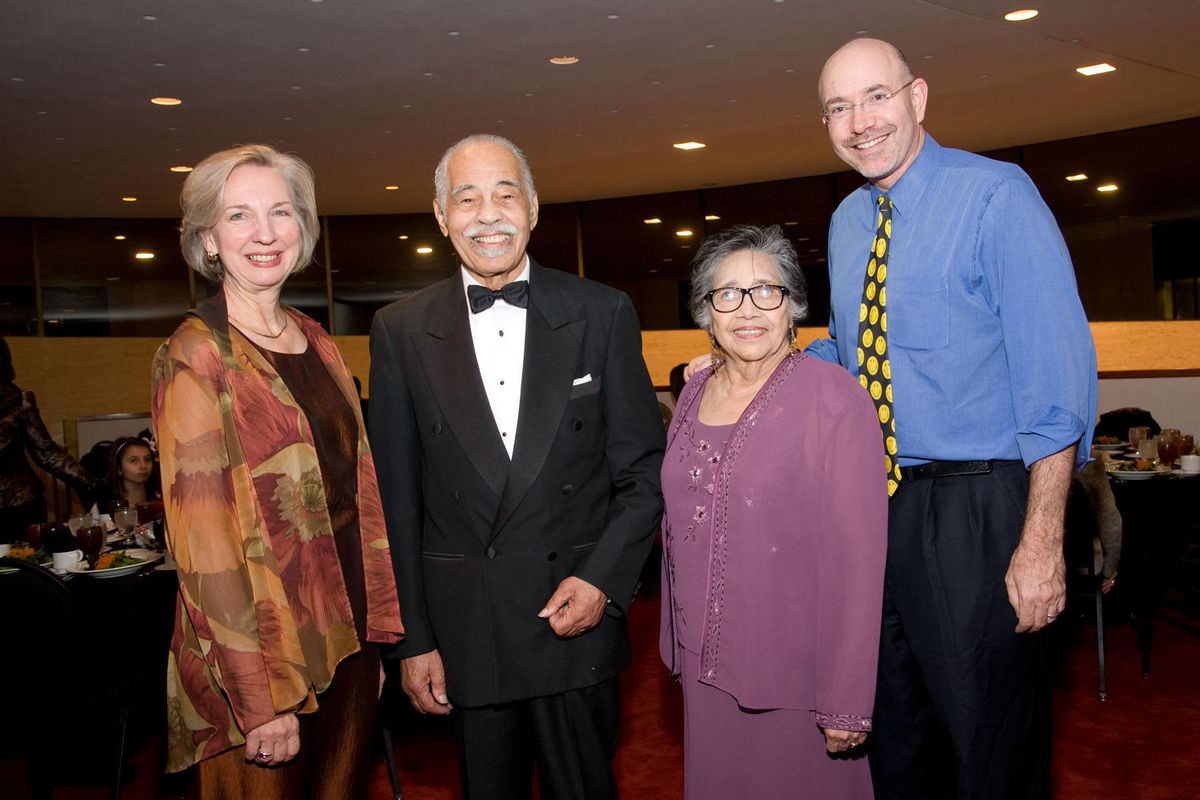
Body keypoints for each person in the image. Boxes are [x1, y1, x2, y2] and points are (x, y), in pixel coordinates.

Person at [812, 39, 1098, 798]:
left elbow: (1056, 385)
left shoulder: (997, 195)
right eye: (839, 107)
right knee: (897, 742)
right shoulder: (846, 222)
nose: (859, 121)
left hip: (980, 510)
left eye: (876, 96)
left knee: (989, 751)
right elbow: (851, 346)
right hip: (877, 513)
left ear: (918, 97)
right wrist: (752, 363)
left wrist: (1041, 542)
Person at [369, 133, 665, 800]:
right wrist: (412, 639)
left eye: (505, 195)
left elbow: (644, 473)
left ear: (532, 208)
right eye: (467, 198)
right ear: (441, 216)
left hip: (572, 615)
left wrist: (601, 581)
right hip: (466, 628)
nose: (488, 214)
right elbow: (394, 502)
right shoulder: (400, 330)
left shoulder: (602, 311)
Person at [151, 144, 404, 797]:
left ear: (304, 228)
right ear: (208, 238)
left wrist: (375, 636)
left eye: (281, 213)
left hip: (346, 636)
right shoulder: (195, 354)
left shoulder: (315, 338)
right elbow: (204, 550)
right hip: (263, 652)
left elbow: (360, 493)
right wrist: (257, 697)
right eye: (239, 216)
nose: (264, 234)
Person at [661, 225, 887, 799]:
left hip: (794, 673)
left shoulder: (835, 399)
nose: (748, 309)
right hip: (705, 664)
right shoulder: (692, 392)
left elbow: (859, 561)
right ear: (705, 312)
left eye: (768, 291)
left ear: (794, 305)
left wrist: (846, 697)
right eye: (727, 294)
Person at [0, 336, 99, 530]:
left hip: (19, 507)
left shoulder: (18, 400)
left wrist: (91, 482)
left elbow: (47, 453)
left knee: (27, 559)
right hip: (20, 505)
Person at [102, 436, 162, 514]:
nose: (143, 466)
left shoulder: (161, 500)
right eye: (134, 460)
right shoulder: (106, 505)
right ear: (118, 468)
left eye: (147, 459)